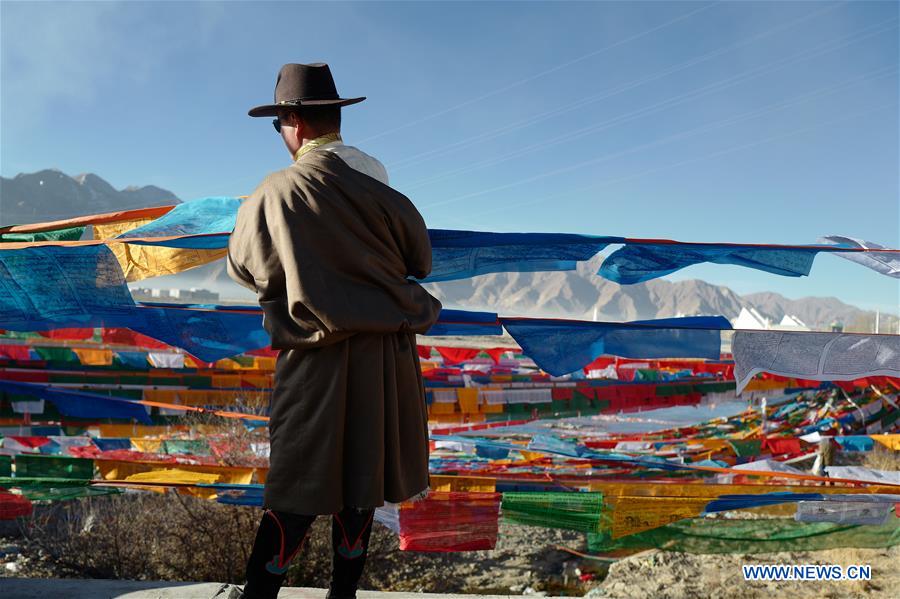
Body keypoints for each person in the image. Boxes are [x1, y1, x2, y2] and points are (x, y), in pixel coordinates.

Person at [222, 62, 442, 599]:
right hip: (385, 358)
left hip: (315, 359)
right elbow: (420, 258)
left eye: (278, 126)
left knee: (296, 489)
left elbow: (243, 264)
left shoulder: (276, 192)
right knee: (361, 487)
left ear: (293, 120)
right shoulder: (377, 177)